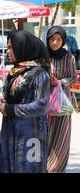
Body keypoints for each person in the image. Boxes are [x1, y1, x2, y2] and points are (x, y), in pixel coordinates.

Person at [0, 31, 50, 173]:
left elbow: (41, 105)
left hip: (30, 135)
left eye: (11, 47)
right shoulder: (15, 71)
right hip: (10, 131)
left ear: (23, 48)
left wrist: (10, 109)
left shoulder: (40, 73)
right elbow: (13, 97)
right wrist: (2, 102)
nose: (8, 52)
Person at [46, 26, 77, 173]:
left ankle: (57, 168)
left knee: (61, 134)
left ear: (63, 41)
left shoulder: (69, 57)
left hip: (63, 100)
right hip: (46, 100)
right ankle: (45, 165)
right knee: (46, 131)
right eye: (52, 39)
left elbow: (73, 78)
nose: (54, 42)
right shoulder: (43, 56)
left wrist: (59, 82)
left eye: (58, 40)